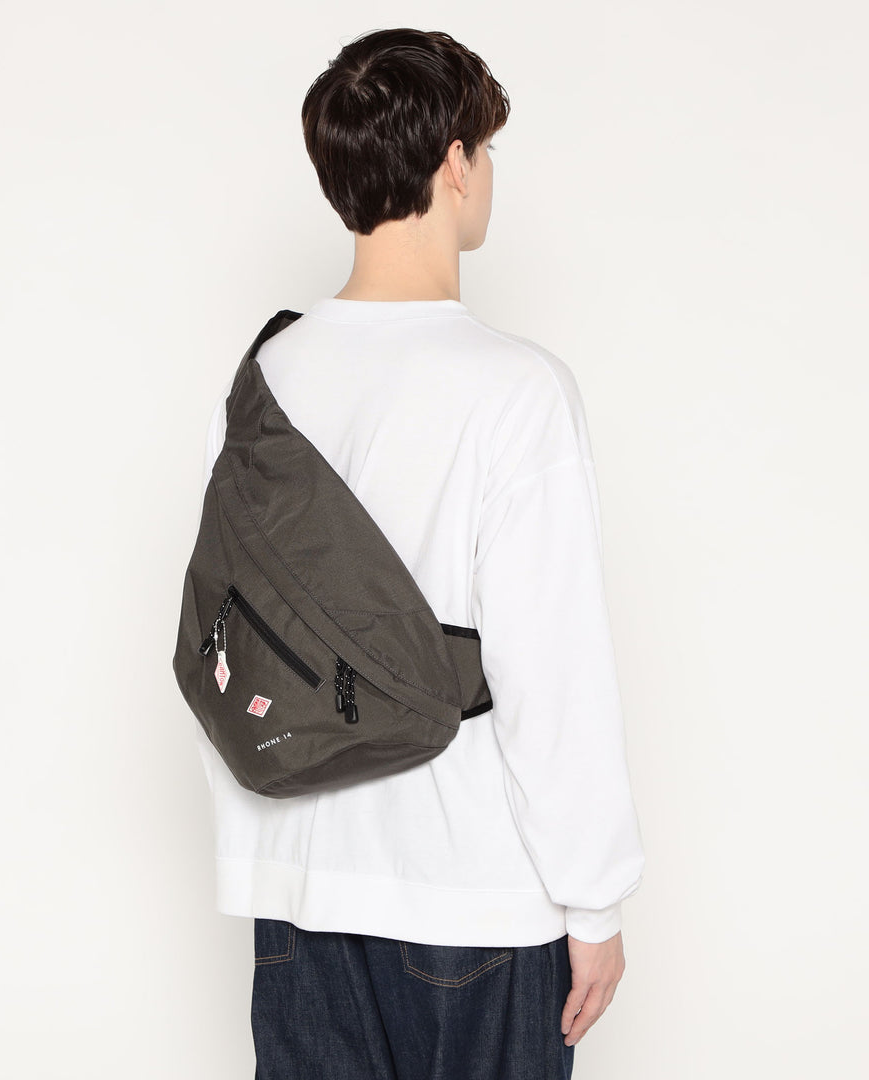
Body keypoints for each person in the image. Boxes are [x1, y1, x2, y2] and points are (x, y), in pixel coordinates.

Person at [188, 27, 646, 1079]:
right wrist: (595, 901)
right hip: (471, 893)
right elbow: (552, 670)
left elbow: (230, 633)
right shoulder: (517, 390)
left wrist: (263, 854)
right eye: (485, 148)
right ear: (454, 163)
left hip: (297, 896)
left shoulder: (264, 378)